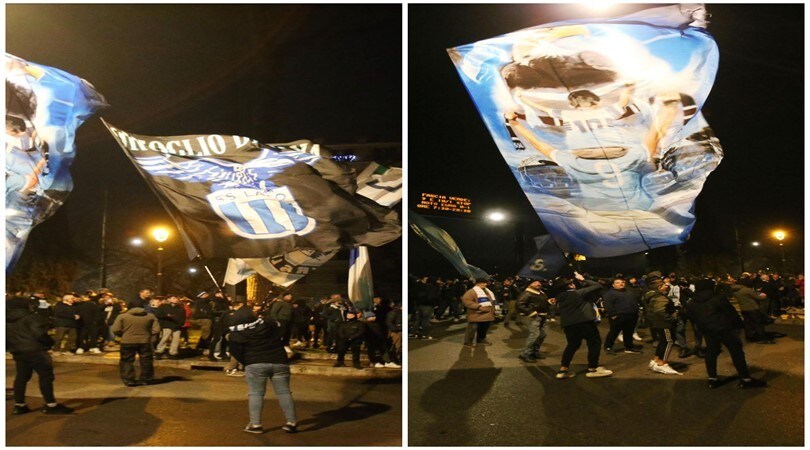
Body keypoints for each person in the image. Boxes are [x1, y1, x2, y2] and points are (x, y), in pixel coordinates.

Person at [686, 279, 767, 389]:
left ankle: (712, 379)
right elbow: (731, 313)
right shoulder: (717, 298)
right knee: (736, 352)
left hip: (708, 330)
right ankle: (745, 379)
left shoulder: (692, 302)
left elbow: (692, 317)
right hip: (724, 329)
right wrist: (739, 325)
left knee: (711, 353)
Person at [227, 316, 298, 435]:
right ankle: (292, 422)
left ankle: (256, 425)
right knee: (284, 392)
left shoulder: (240, 334)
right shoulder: (273, 329)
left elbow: (235, 350)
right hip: (279, 362)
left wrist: (246, 361)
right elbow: (282, 325)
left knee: (256, 393)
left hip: (255, 363)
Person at [7, 296, 74, 415]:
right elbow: (40, 334)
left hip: (19, 351)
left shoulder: (6, 319)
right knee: (45, 377)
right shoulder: (30, 317)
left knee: (21, 377)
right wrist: (50, 342)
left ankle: (19, 405)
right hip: (37, 351)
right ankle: (51, 404)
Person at [552, 272, 613, 379]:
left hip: (569, 325)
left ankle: (563, 369)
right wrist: (582, 279)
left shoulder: (560, 297)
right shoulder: (577, 293)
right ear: (570, 285)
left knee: (572, 345)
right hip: (584, 322)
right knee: (594, 343)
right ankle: (592, 368)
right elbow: (597, 286)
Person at [111, 298, 161, 386]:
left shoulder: (122, 316)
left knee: (127, 360)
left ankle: (129, 380)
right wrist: (148, 335)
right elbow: (156, 330)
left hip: (127, 341)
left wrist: (123, 335)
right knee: (146, 361)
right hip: (145, 341)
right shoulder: (150, 316)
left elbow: (115, 329)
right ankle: (146, 379)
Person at [643, 279, 682, 375]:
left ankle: (656, 360)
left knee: (663, 341)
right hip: (664, 324)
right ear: (659, 287)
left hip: (657, 323)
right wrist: (672, 318)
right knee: (669, 341)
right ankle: (662, 364)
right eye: (664, 285)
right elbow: (660, 311)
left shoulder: (652, 296)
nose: (667, 285)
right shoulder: (660, 297)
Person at [602, 278, 643, 355]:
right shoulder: (609, 294)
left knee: (628, 332)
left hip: (631, 315)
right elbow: (608, 305)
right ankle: (608, 347)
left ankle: (629, 347)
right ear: (613, 285)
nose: (621, 284)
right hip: (618, 316)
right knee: (614, 332)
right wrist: (613, 315)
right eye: (618, 282)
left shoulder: (628, 291)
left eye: (622, 282)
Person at [516, 279, 550, 362]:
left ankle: (534, 351)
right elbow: (519, 305)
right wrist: (531, 312)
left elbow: (540, 303)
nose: (538, 283)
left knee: (542, 335)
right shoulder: (527, 293)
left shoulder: (540, 292)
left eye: (538, 282)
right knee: (534, 335)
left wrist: (548, 302)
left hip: (542, 316)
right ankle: (525, 354)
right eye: (535, 282)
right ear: (529, 285)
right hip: (533, 317)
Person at [461, 278, 496, 347]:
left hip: (487, 315)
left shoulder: (487, 291)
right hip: (476, 314)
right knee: (472, 329)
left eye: (485, 283)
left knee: (483, 329)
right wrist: (478, 307)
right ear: (477, 284)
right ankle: (468, 342)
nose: (485, 284)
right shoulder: (471, 291)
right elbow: (466, 301)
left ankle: (481, 340)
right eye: (483, 283)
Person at [154, 295, 186, 359]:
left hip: (177, 325)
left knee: (176, 340)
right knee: (165, 338)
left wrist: (181, 323)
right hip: (167, 324)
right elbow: (158, 315)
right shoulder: (163, 306)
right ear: (169, 299)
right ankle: (159, 351)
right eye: (174, 298)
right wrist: (166, 316)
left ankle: (173, 353)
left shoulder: (180, 307)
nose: (176, 299)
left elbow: (183, 317)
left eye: (177, 298)